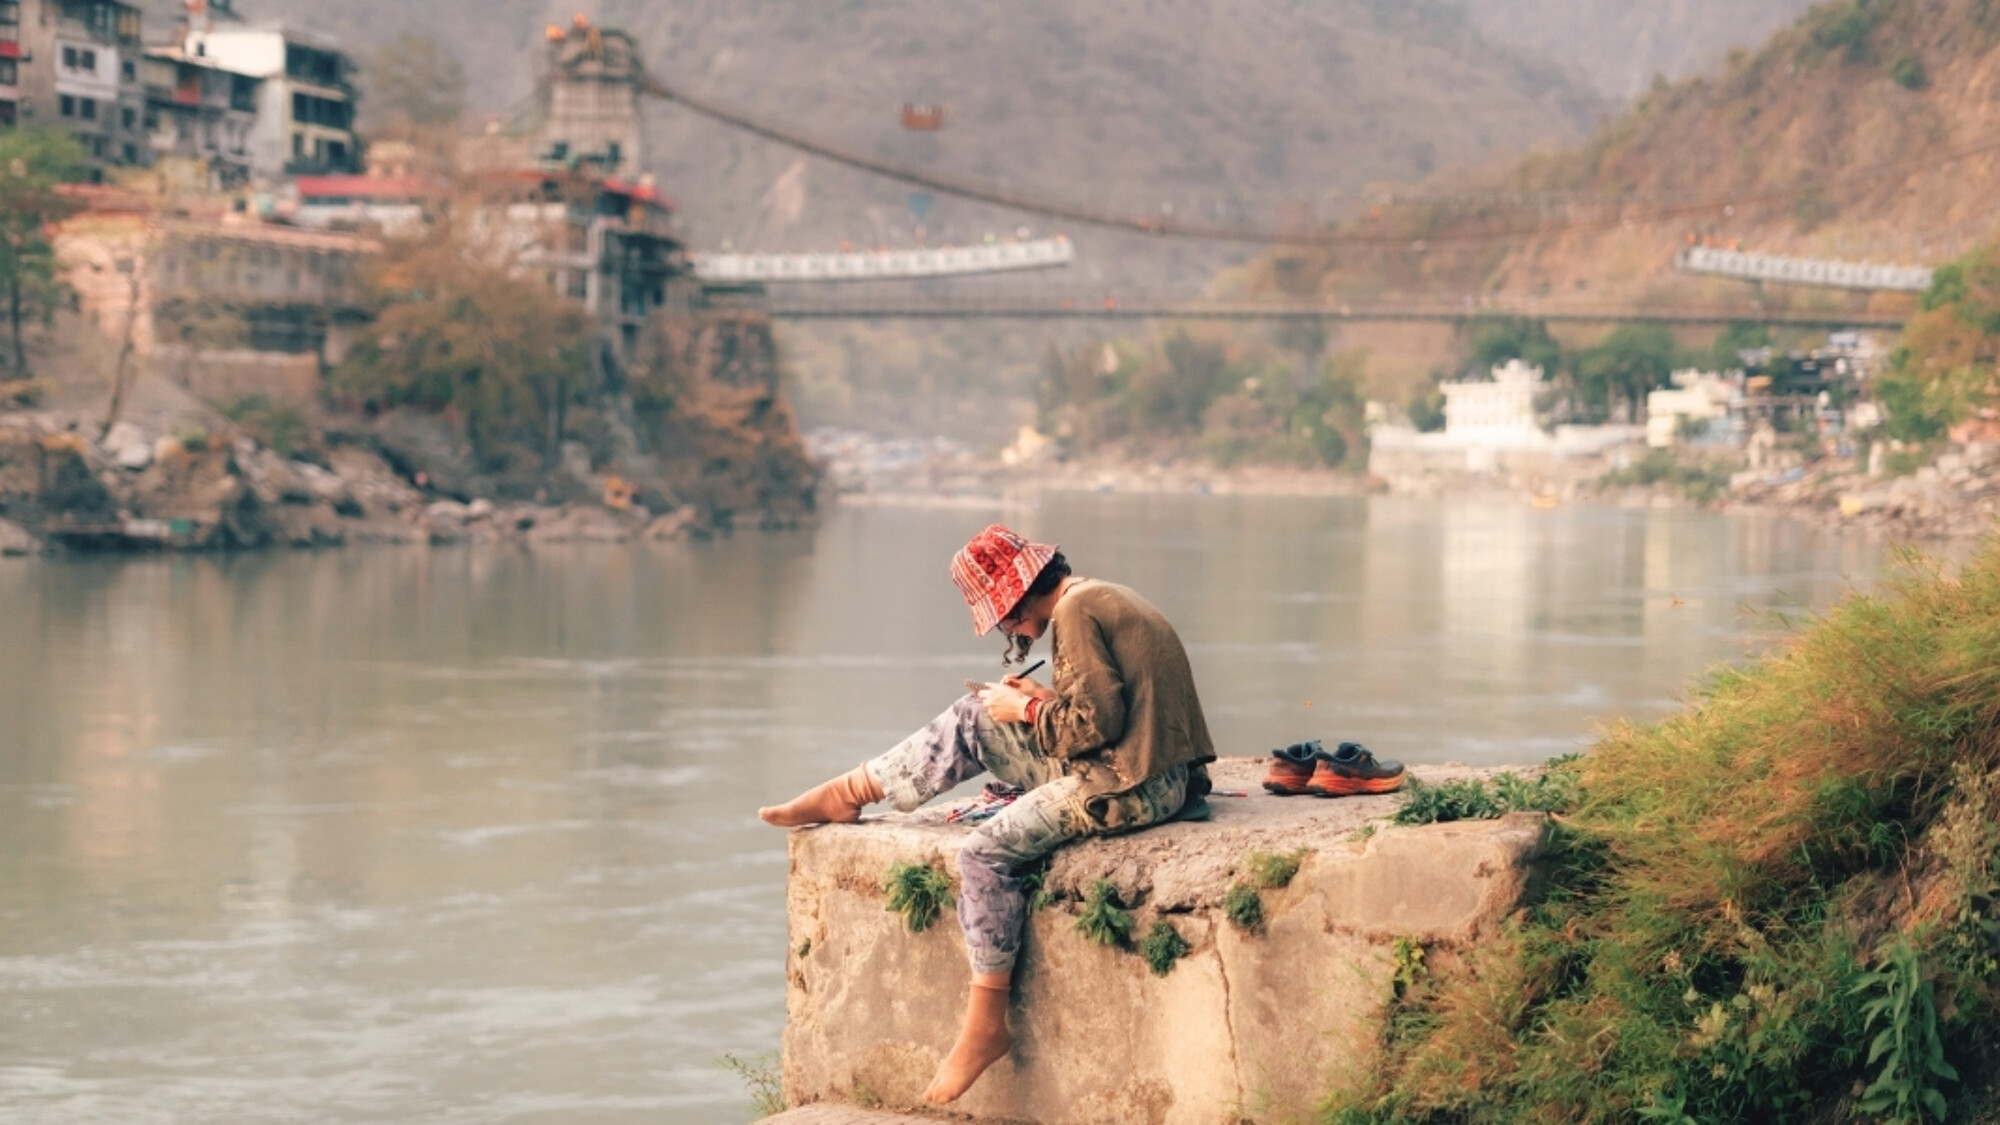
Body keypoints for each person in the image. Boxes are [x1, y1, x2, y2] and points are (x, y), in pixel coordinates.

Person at [759, 523, 1215, 1103]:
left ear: (1022, 597)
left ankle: (985, 1024)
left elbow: (1094, 728)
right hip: (1153, 769)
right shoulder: (1098, 595)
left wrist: (1026, 708)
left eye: (1005, 617)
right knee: (974, 715)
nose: (1009, 629)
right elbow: (1111, 710)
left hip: (1133, 786)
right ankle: (852, 789)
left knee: (984, 855)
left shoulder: (1076, 612)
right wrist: (1031, 704)